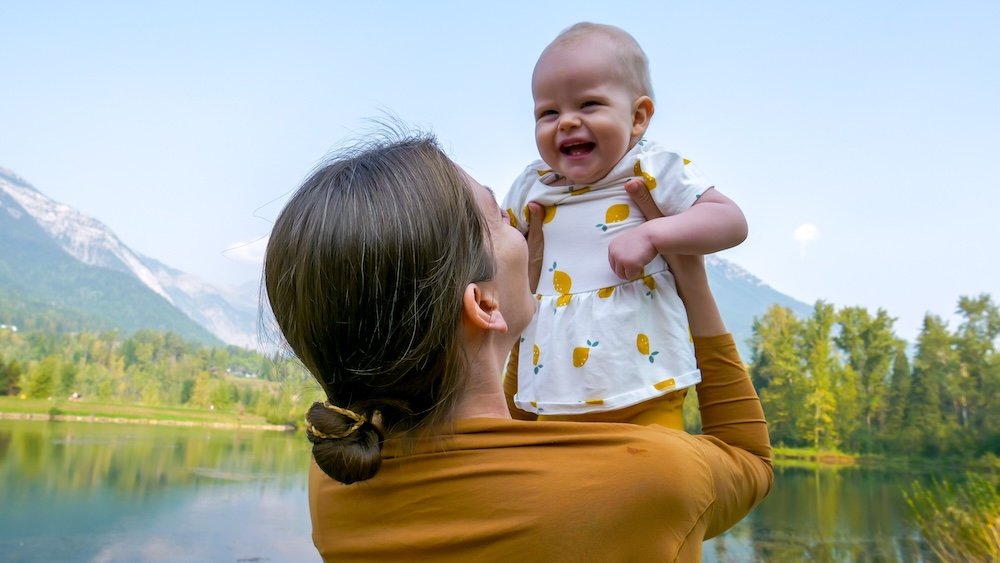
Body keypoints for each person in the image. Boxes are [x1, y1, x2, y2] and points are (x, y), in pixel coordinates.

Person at [263, 130, 772, 561]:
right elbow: (750, 460)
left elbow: (499, 452)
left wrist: (517, 313)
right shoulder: (650, 477)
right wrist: (688, 274)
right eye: (500, 218)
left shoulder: (338, 482)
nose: (519, 229)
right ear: (482, 305)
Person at [503, 23, 748, 428]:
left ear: (637, 118)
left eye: (588, 104)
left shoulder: (651, 168)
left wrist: (653, 234)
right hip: (552, 389)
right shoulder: (534, 184)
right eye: (548, 112)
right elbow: (493, 243)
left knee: (652, 471)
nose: (565, 122)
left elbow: (730, 221)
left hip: (647, 382)